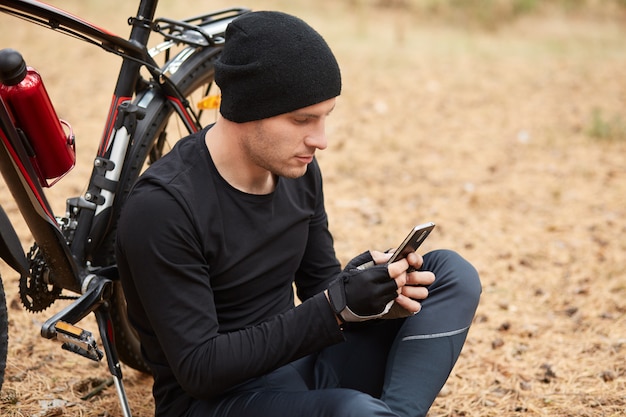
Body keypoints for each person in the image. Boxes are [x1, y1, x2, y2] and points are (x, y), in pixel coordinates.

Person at [116, 10, 481, 417]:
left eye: (326, 117)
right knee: (352, 412)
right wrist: (334, 303)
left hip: (300, 368)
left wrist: (362, 285)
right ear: (247, 109)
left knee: (450, 274)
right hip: (216, 401)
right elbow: (201, 369)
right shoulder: (164, 208)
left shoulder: (297, 170)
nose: (320, 140)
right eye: (302, 120)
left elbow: (318, 285)